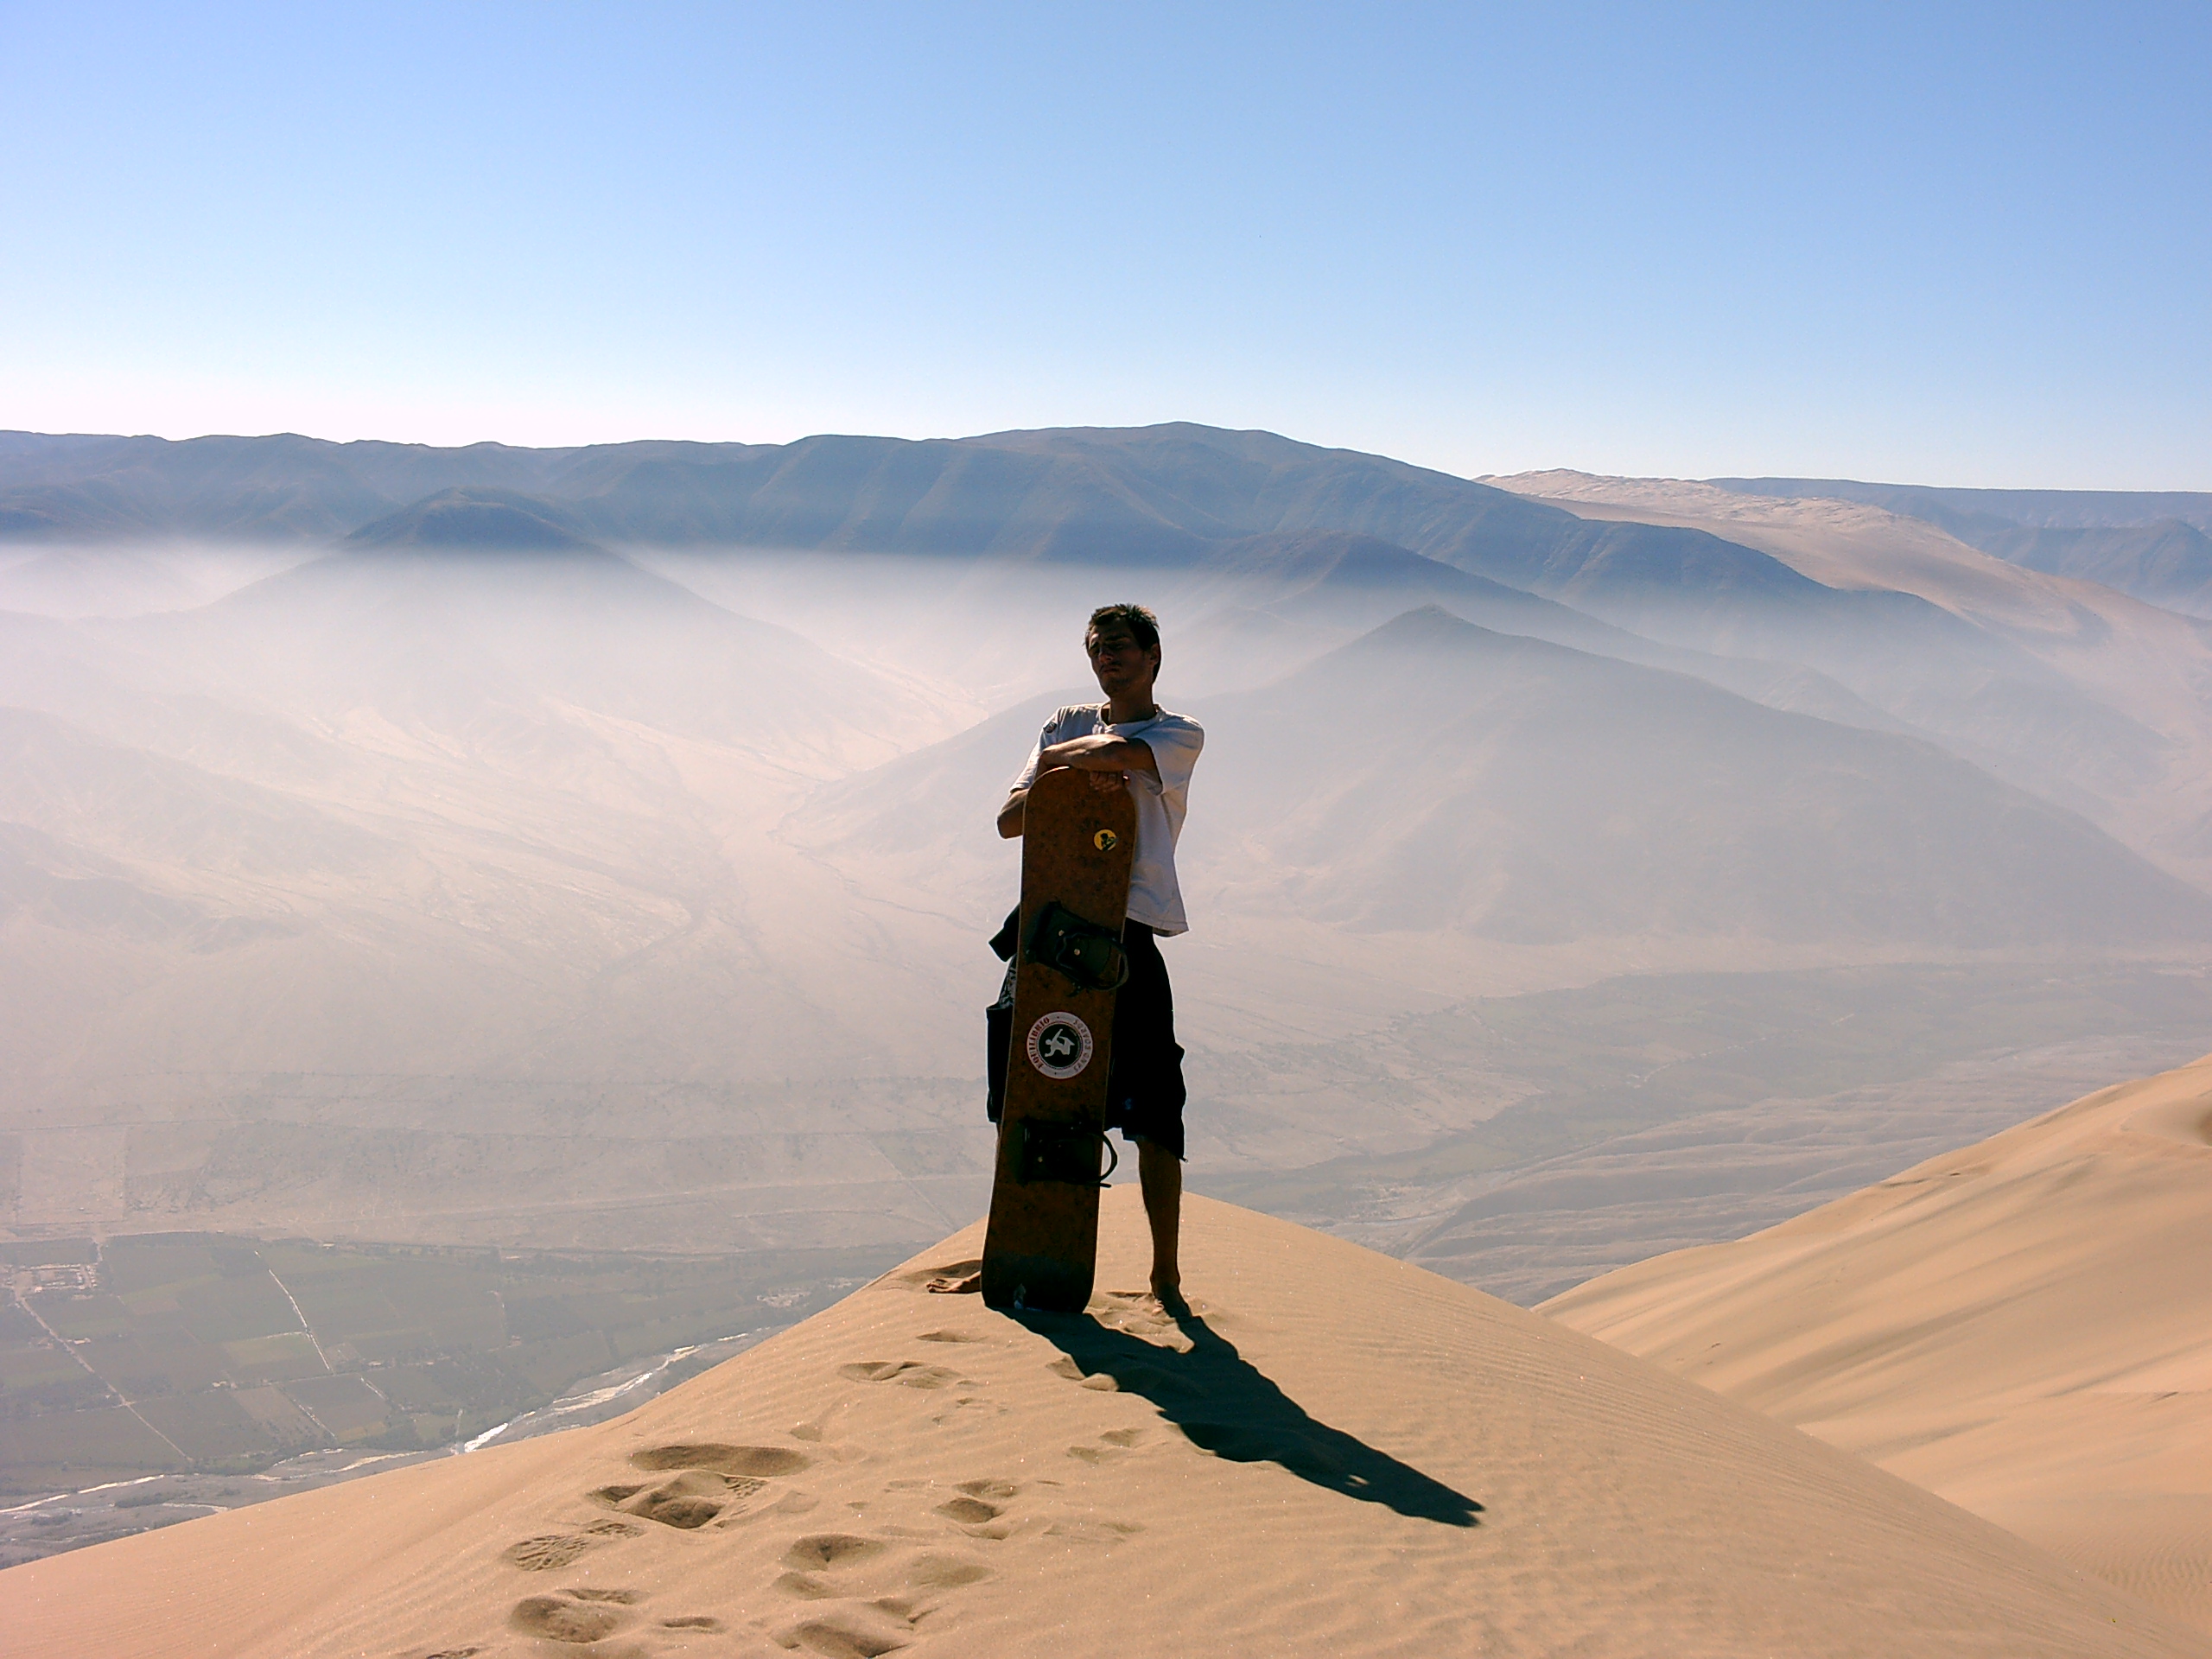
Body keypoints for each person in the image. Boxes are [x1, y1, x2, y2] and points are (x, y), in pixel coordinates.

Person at [935, 603, 1205, 1306]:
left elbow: (1118, 759)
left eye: (1118, 646)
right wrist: (1063, 763)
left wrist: (1058, 768)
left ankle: (1165, 1274)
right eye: (1095, 648)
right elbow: (1010, 820)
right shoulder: (1065, 722)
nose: (1104, 658)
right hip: (1049, 926)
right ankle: (1010, 1246)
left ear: (1153, 657)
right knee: (1021, 1088)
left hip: (1130, 928)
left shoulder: (1177, 734)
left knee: (1156, 1106)